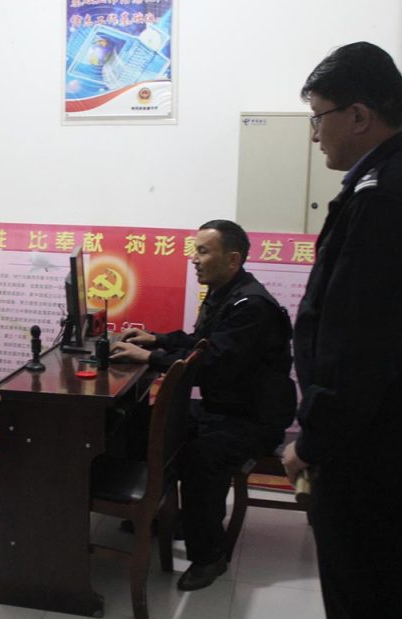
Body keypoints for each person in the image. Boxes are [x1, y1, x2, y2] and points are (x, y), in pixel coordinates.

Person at [281, 42, 402, 619]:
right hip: (394, 437)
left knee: (361, 597)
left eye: (319, 117)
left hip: (370, 447)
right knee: (376, 586)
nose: (315, 135)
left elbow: (361, 348)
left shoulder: (388, 198)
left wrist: (311, 442)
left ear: (360, 116)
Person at [111, 219, 296, 591]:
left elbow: (211, 364)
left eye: (203, 251)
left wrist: (148, 358)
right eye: (194, 250)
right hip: (225, 406)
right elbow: (201, 343)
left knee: (201, 459)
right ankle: (164, 513)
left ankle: (209, 556)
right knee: (139, 423)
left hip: (252, 418)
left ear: (232, 259)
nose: (194, 259)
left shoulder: (251, 306)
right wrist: (155, 339)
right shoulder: (224, 292)